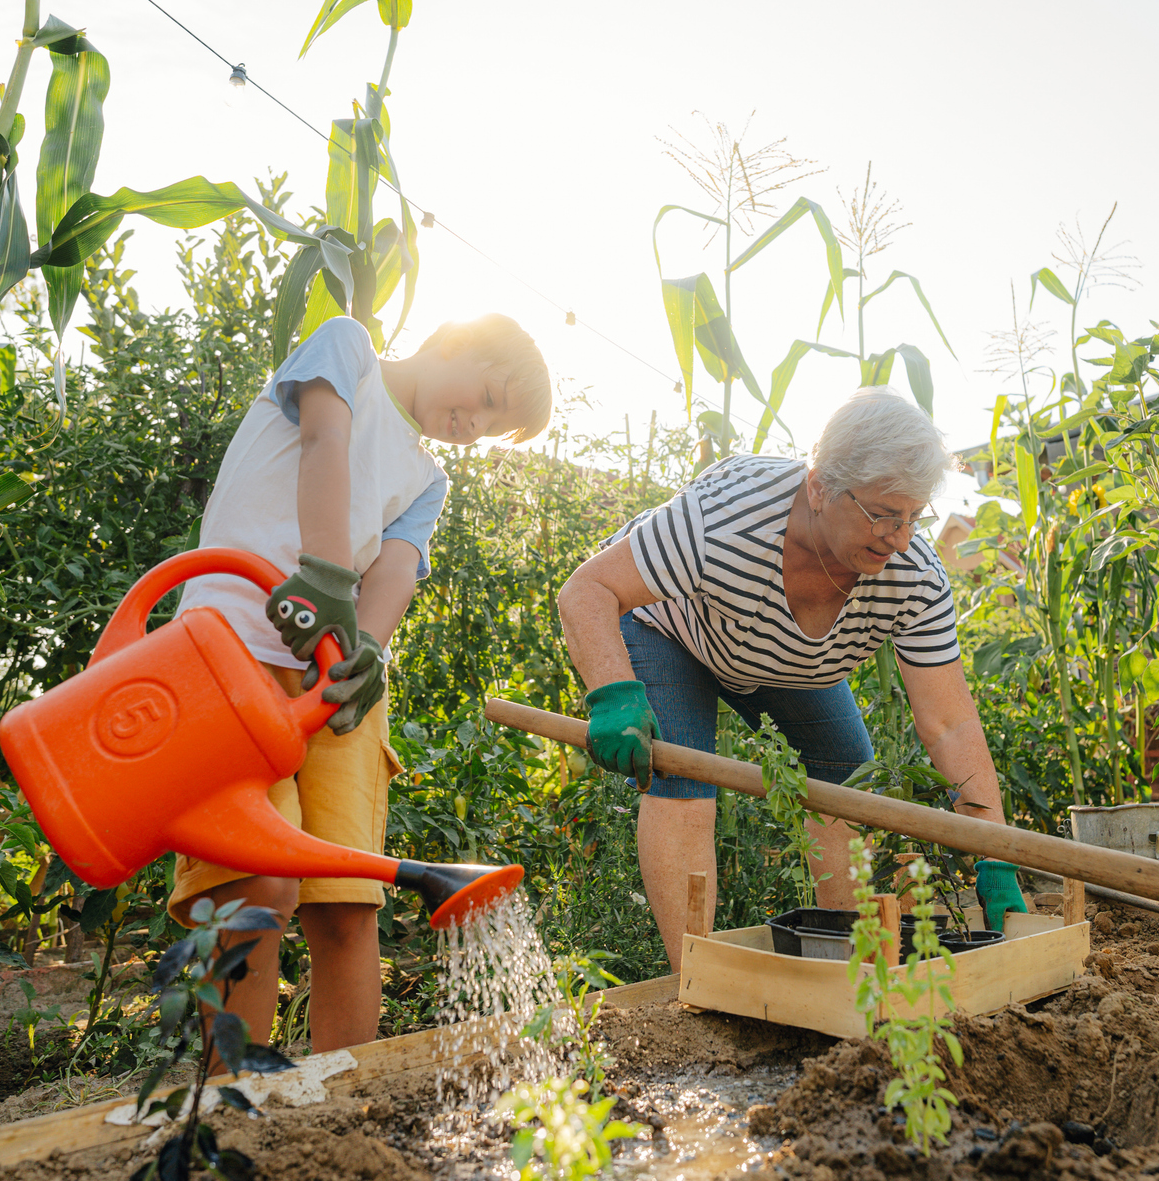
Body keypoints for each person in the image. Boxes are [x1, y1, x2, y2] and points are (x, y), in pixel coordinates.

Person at [167, 313, 551, 1053]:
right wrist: (325, 572)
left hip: (330, 687)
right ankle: (228, 1101)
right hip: (227, 654)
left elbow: (398, 569)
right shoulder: (347, 349)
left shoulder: (427, 480)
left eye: (493, 423)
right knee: (255, 890)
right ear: (453, 340)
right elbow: (324, 440)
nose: (476, 422)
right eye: (487, 394)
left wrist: (365, 650)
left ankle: (342, 1112)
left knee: (346, 904)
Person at [556, 388, 1028, 970]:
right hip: (673, 632)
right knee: (682, 782)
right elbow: (587, 590)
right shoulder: (726, 514)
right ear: (820, 487)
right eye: (883, 514)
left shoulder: (914, 577)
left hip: (786, 659)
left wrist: (994, 848)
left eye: (913, 516)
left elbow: (950, 723)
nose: (899, 538)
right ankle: (698, 981)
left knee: (847, 786)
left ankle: (850, 967)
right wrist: (613, 694)